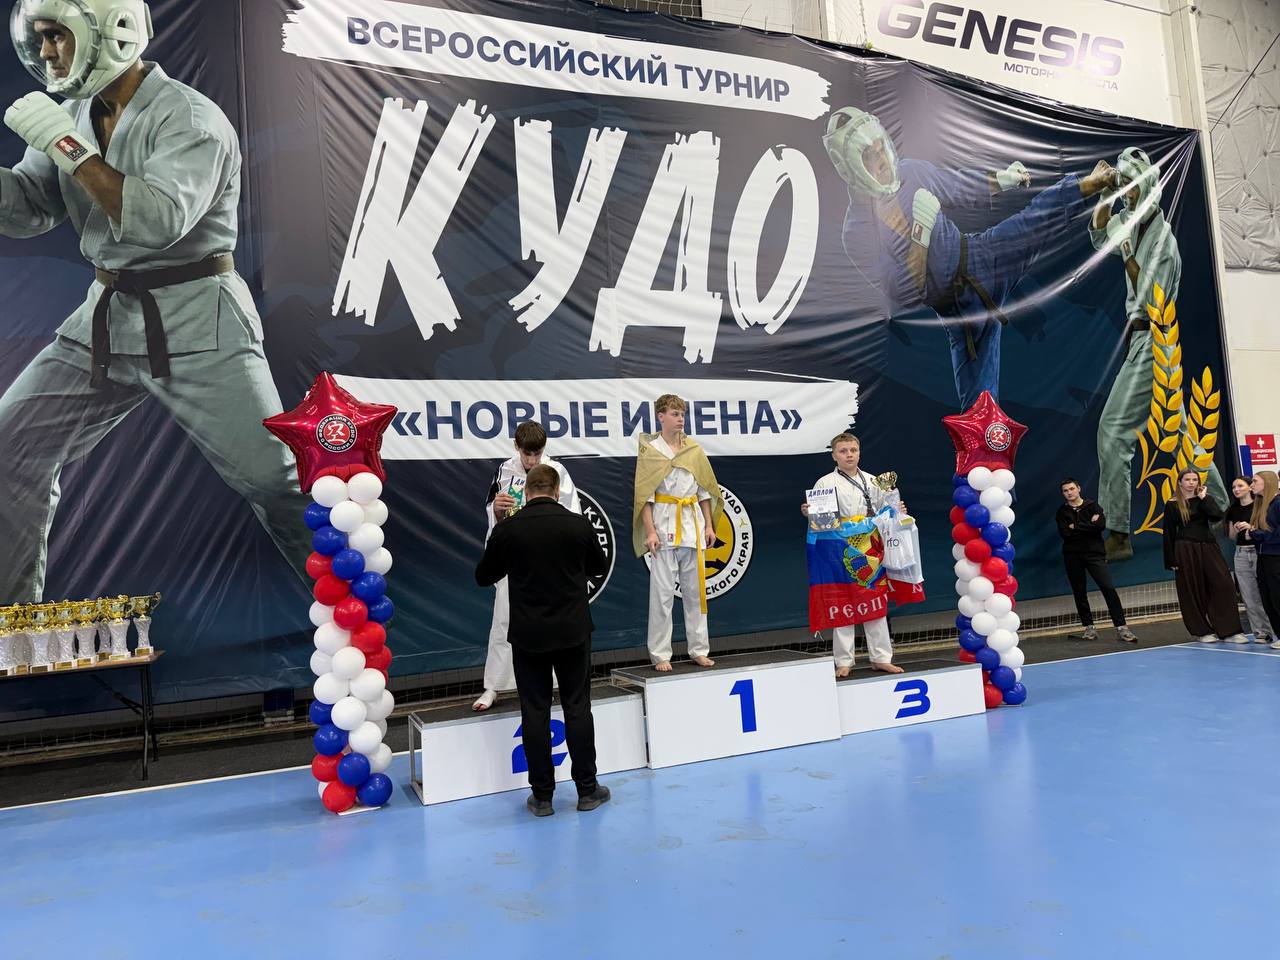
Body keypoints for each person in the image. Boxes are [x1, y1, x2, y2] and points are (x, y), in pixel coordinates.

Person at [0, 1, 312, 602]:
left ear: (110, 34)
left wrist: (67, 146)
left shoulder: (190, 118)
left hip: (198, 318)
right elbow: (31, 208)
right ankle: (13, 632)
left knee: (277, 483)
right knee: (10, 451)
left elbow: (157, 221)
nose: (46, 53)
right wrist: (59, 145)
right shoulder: (76, 113)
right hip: (106, 317)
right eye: (40, 38)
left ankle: (362, 627)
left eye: (57, 36)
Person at [823, 105, 1120, 409]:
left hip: (981, 256)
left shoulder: (910, 172)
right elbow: (905, 294)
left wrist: (1003, 179)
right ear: (849, 169)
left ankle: (1090, 183)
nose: (883, 160)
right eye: (869, 156)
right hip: (960, 314)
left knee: (1034, 219)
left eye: (880, 148)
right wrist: (920, 236)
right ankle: (986, 442)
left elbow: (960, 186)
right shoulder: (857, 232)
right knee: (978, 407)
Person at [1089, 147, 1225, 562]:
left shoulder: (1163, 241)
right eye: (1124, 187)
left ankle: (1117, 532)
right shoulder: (1133, 221)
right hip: (1143, 340)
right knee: (1179, 432)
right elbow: (1099, 236)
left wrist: (1128, 252)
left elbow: (1153, 299)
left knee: (1113, 431)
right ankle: (1221, 505)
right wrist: (1104, 193)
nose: (1127, 194)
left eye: (1131, 186)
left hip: (1156, 336)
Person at [474, 463, 610, 817]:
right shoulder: (578, 525)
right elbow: (597, 566)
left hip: (528, 634)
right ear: (556, 490)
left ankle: (543, 796)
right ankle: (587, 790)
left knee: (534, 711)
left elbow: (484, 575)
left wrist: (501, 531)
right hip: (572, 631)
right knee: (577, 707)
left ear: (527, 492)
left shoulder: (509, 529)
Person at [473, 421, 580, 711]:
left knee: (550, 622)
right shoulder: (504, 471)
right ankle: (493, 686)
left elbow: (573, 515)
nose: (532, 461)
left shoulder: (556, 472)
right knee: (503, 620)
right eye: (527, 454)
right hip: (515, 555)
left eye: (537, 454)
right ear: (516, 447)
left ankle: (552, 684)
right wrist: (496, 511)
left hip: (548, 559)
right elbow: (493, 516)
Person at [801, 433, 906, 675]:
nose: (849, 455)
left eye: (853, 450)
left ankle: (881, 657)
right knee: (842, 603)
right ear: (834, 456)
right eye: (843, 451)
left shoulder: (874, 481)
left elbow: (885, 511)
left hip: (870, 547)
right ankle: (844, 661)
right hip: (838, 548)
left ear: (859, 453)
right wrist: (810, 513)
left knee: (874, 600)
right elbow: (821, 521)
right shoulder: (824, 483)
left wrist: (896, 509)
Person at [633, 394, 722, 672]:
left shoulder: (693, 449)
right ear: (660, 417)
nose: (680, 418)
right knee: (662, 595)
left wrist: (709, 525)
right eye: (674, 413)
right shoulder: (651, 451)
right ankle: (660, 654)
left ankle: (699, 649)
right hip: (663, 526)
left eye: (682, 413)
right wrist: (650, 532)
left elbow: (704, 491)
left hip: (692, 526)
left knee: (696, 593)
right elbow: (644, 496)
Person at [1163, 469, 1245, 643]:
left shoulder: (1204, 499)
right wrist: (1171, 560)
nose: (1191, 483)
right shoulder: (1171, 504)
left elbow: (1217, 516)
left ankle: (1230, 631)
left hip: (1208, 547)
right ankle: (1202, 631)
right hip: (1184, 549)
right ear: (1180, 482)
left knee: (1224, 584)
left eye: (1194, 479)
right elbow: (1168, 533)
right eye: (1187, 479)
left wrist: (1204, 498)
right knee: (1192, 589)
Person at [1055, 478, 1137, 642]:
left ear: (1078, 488)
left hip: (1095, 555)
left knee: (1108, 587)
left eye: (1072, 489)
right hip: (1073, 556)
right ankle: (1089, 628)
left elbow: (1099, 526)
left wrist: (1076, 526)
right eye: (1065, 491)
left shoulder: (1093, 506)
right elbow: (1066, 534)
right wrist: (1088, 525)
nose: (1069, 492)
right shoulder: (1062, 512)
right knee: (1079, 591)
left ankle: (1122, 628)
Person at [1225, 476, 1273, 643]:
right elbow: (1231, 536)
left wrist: (1251, 528)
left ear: (1249, 487)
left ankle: (1274, 628)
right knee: (1249, 596)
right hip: (1241, 553)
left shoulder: (1260, 506)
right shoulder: (1233, 510)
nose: (1236, 489)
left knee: (1267, 593)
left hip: (1260, 552)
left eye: (1240, 486)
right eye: (1233, 487)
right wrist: (1236, 528)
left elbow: (1268, 530)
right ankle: (1261, 632)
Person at [1245, 471, 1280, 647]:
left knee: (1277, 597)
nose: (1251, 485)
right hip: (1263, 558)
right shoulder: (1262, 505)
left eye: (1255, 481)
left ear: (1266, 482)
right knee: (1267, 599)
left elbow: (1276, 535)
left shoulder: (1278, 504)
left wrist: (1255, 534)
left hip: (1276, 559)